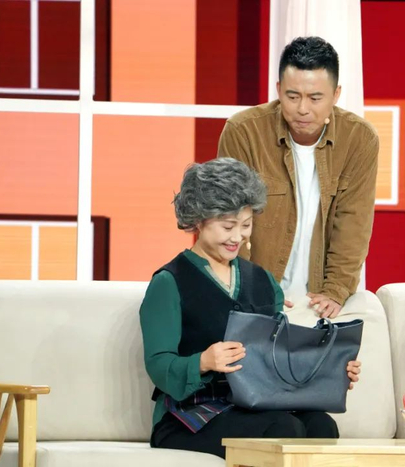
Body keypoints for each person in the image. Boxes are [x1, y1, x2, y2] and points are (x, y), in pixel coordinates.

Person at [140, 158, 361, 459]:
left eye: (246, 225)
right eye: (227, 226)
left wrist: (332, 370)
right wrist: (203, 361)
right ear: (199, 220)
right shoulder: (169, 282)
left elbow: (278, 357)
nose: (237, 237)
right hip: (188, 415)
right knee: (282, 429)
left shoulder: (263, 281)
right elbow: (158, 364)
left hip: (252, 404)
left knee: (322, 425)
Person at [217, 36, 379, 319]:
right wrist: (247, 293)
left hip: (321, 298)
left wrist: (336, 289)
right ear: (278, 89)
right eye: (292, 96)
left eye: (315, 98)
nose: (303, 108)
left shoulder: (359, 139)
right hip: (254, 297)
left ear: (336, 94)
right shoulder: (244, 132)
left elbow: (354, 222)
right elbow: (228, 219)